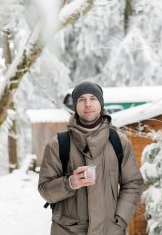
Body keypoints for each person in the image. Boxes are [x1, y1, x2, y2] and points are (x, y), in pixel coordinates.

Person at [38, 81, 144, 235]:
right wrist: (70, 183)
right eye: (81, 99)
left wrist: (120, 219)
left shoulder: (119, 142)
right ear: (75, 106)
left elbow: (133, 183)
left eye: (93, 98)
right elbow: (45, 190)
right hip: (67, 230)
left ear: (101, 103)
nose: (88, 104)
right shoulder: (58, 144)